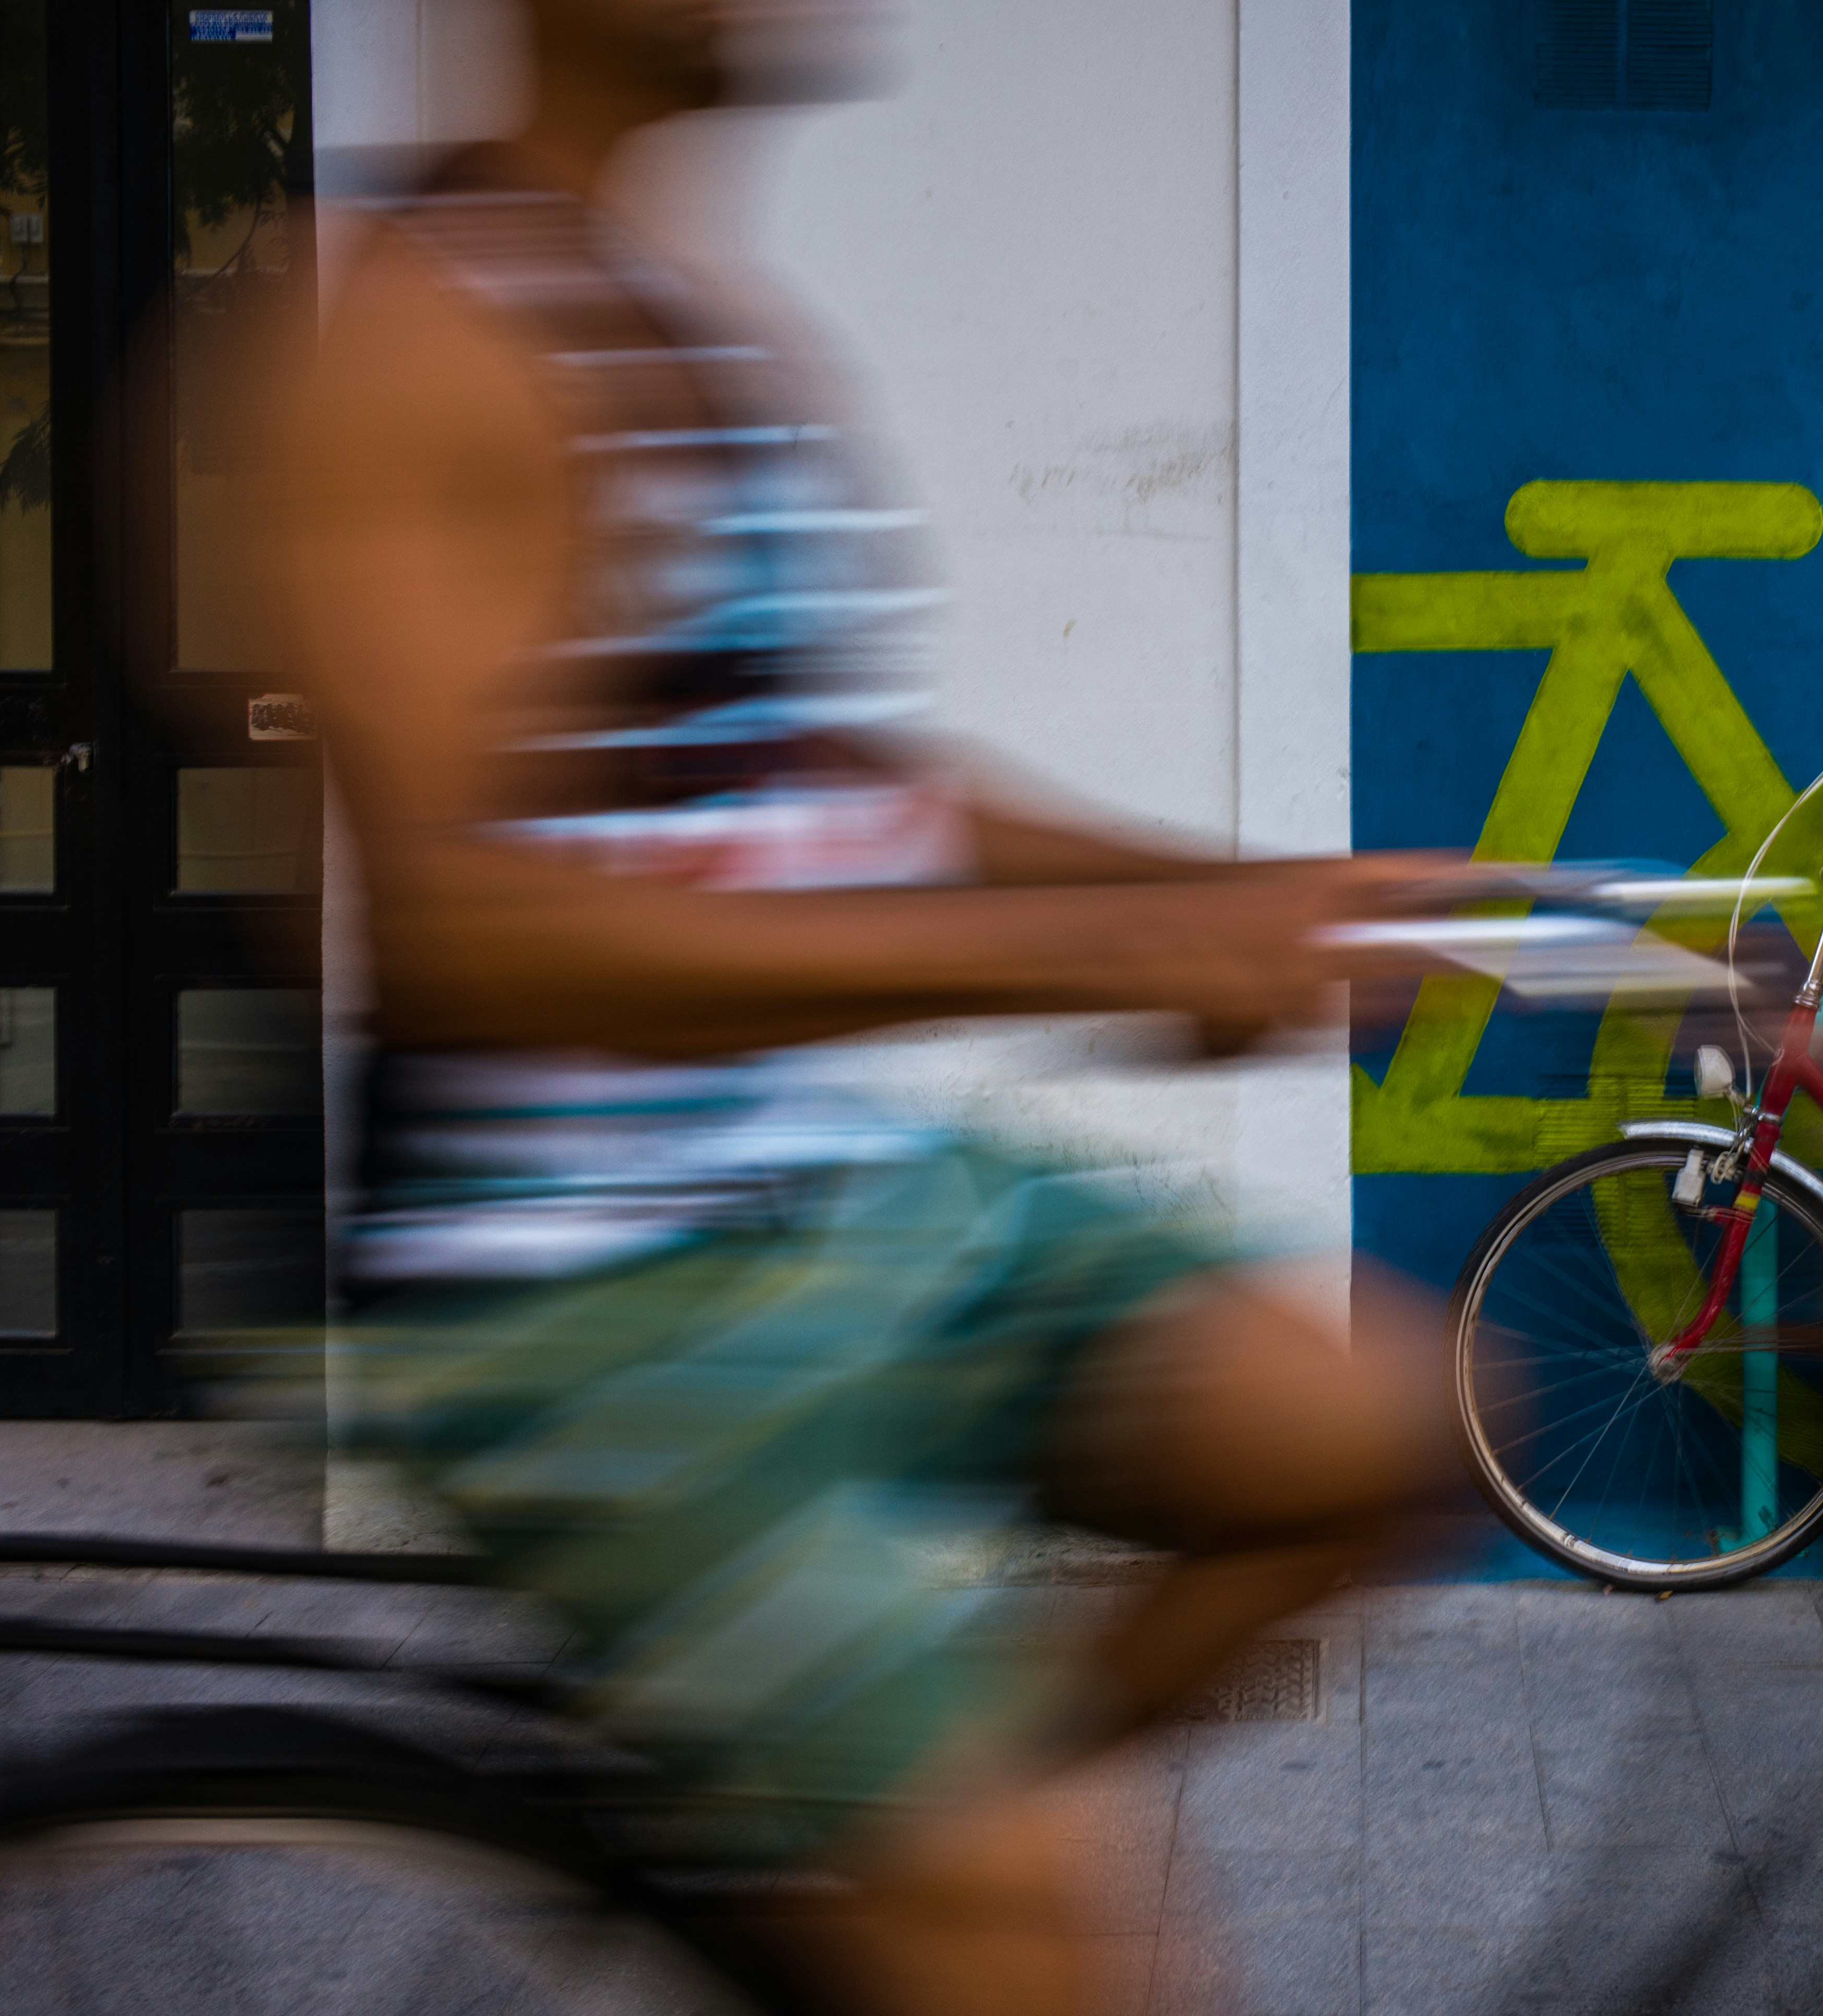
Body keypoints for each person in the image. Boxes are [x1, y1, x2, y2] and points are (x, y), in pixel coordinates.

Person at [276, 2, 1455, 2009]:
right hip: (590, 1295)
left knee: (1357, 1419)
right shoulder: (417, 341)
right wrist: (1109, 957)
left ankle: (871, 1879)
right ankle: (931, 1890)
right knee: (1054, 1955)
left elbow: (832, 788)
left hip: (843, 1197)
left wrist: (1232, 889)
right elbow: (479, 939)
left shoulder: (680, 308)